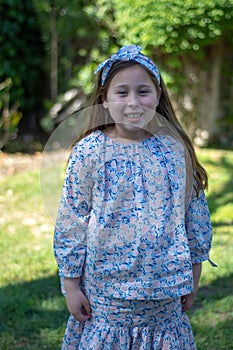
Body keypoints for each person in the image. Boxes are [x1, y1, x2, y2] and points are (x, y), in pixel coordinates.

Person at [54, 45, 215, 349]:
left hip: (164, 295)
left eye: (143, 92)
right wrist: (71, 285)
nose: (133, 103)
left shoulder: (173, 149)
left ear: (157, 96)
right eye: (121, 93)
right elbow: (72, 219)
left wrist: (193, 276)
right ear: (104, 99)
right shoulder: (89, 152)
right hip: (106, 295)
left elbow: (195, 216)